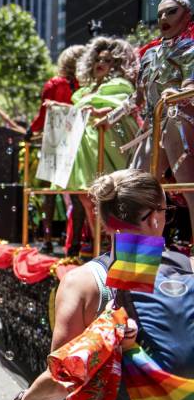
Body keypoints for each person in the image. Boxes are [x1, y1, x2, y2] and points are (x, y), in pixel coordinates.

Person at [0, 169, 194, 400]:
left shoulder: (84, 283)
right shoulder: (188, 271)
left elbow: (63, 377)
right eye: (166, 212)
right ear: (154, 217)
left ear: (104, 220)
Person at [111, 0, 194, 232]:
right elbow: (136, 99)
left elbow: (190, 87)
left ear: (187, 16)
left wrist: (178, 94)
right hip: (153, 126)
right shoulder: (149, 55)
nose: (163, 18)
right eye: (159, 14)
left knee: (189, 187)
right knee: (134, 188)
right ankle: (140, 249)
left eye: (171, 12)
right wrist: (106, 117)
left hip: (180, 123)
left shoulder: (190, 50)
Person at [64, 37, 139, 255]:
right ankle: (103, 247)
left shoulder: (120, 86)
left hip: (106, 148)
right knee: (86, 198)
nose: (100, 63)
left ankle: (117, 248)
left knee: (109, 198)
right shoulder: (85, 91)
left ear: (116, 64)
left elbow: (123, 109)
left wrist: (97, 111)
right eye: (97, 59)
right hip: (84, 150)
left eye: (107, 60)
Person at [28, 45, 86, 253]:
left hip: (54, 139)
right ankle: (76, 242)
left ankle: (47, 240)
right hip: (78, 139)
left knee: (48, 193)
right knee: (79, 191)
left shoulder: (54, 84)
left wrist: (30, 130)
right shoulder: (85, 85)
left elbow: (43, 117)